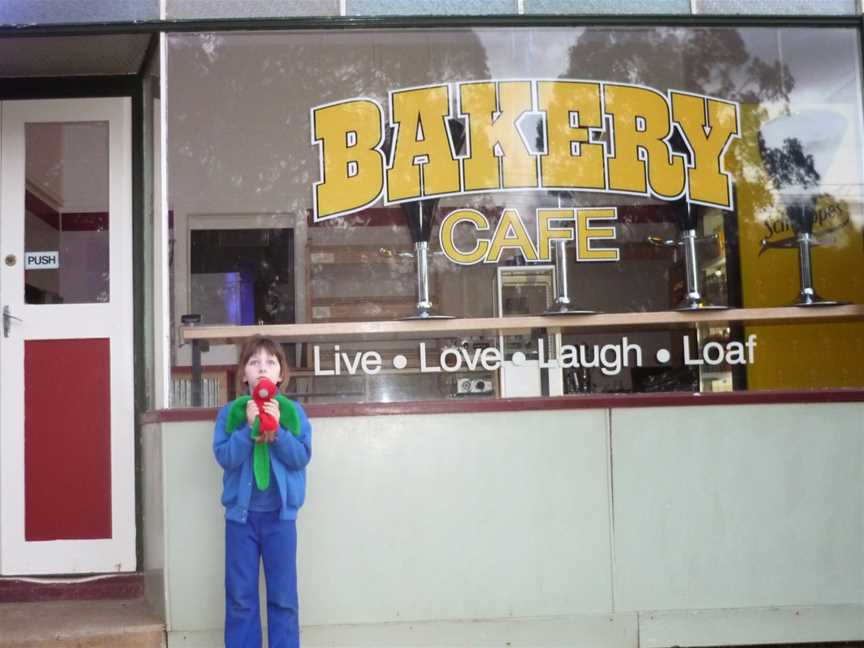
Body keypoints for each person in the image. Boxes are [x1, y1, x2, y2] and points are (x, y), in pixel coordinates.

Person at [213, 336, 312, 648]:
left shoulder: (293, 412)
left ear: (281, 374)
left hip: (280, 520)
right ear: (244, 373)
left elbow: (300, 457)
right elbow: (225, 456)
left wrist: (278, 431)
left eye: (271, 362)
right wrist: (248, 429)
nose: (262, 368)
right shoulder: (232, 413)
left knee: (283, 598)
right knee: (241, 597)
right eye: (254, 362)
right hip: (241, 521)